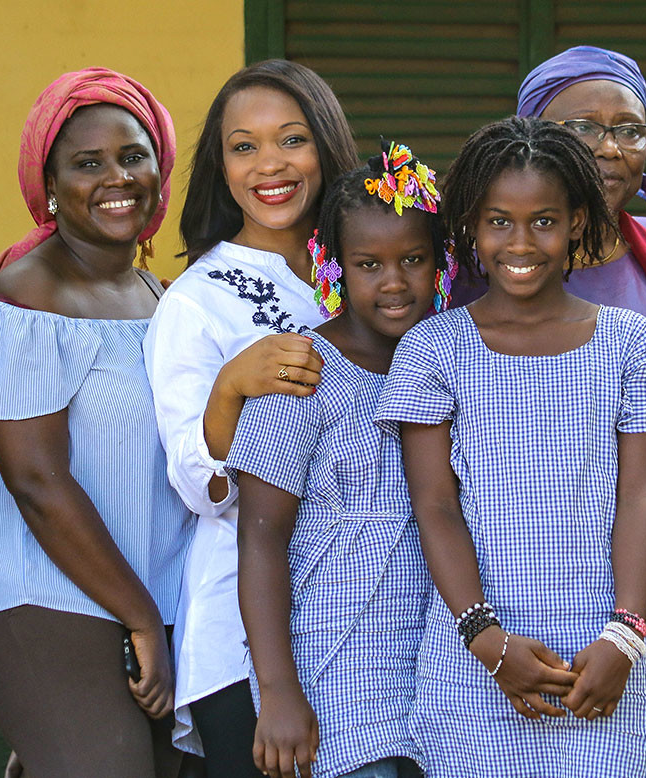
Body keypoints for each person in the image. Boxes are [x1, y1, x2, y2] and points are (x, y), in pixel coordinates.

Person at [376, 116, 646, 776]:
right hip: (474, 661)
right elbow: (435, 507)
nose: (519, 241)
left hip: (604, 661)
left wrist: (625, 636)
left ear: (576, 220)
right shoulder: (435, 349)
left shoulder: (630, 345)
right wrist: (487, 641)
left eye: (543, 220)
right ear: (471, 228)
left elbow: (640, 496)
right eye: (497, 221)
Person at [495, 44, 646, 777]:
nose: (610, 147)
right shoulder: (486, 267)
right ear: (531, 137)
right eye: (583, 128)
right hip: (532, 588)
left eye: (630, 130)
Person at [0, 68, 189, 777]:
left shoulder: (158, 294)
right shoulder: (29, 300)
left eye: (133, 156)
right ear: (50, 185)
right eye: (88, 164)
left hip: (141, 585)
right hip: (37, 590)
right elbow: (36, 482)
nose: (117, 178)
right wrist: (142, 617)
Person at [143, 59, 358, 776]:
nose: (271, 164)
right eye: (245, 146)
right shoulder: (197, 302)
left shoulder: (375, 271)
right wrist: (230, 388)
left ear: (327, 147)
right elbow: (197, 483)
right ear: (221, 165)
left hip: (372, 618)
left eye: (292, 139)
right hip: (245, 636)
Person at [225, 141, 452, 778]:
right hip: (337, 673)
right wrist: (277, 691)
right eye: (368, 264)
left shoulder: (454, 368)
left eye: (413, 260)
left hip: (441, 678)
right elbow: (261, 541)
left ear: (442, 264)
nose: (395, 282)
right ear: (334, 267)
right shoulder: (300, 376)